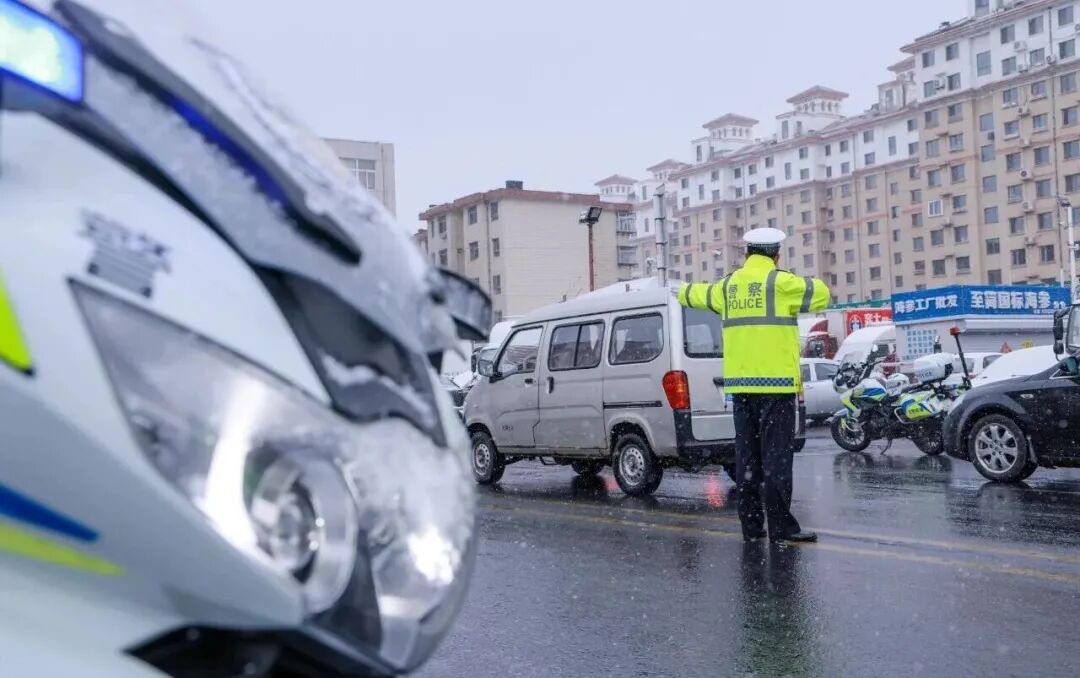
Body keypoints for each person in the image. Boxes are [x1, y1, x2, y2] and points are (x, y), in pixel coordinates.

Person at [678, 227, 829, 543]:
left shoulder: (728, 286)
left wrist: (678, 289)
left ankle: (751, 527)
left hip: (741, 388)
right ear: (777, 255)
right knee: (776, 460)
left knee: (747, 459)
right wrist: (781, 273)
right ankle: (781, 527)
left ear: (746, 255)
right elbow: (822, 293)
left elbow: (694, 294)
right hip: (777, 387)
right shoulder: (781, 283)